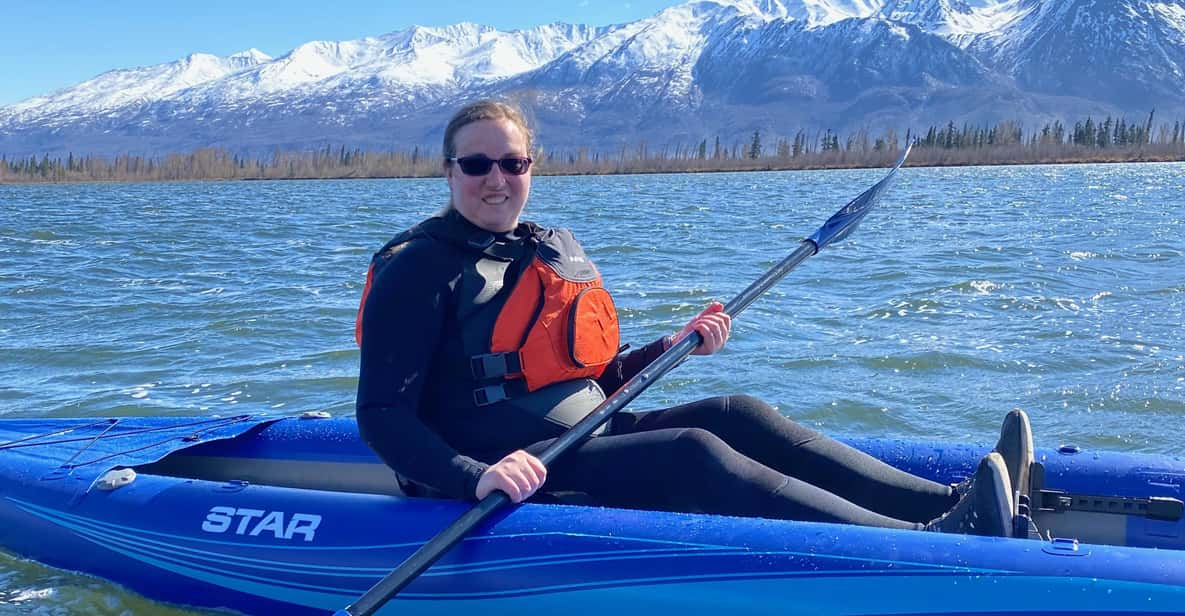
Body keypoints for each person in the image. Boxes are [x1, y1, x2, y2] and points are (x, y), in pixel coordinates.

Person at [355, 99, 1032, 537]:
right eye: (476, 164)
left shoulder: (532, 249)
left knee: (736, 412)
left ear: (531, 166)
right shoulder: (416, 269)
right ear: (448, 171)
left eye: (512, 162)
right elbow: (382, 415)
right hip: (506, 466)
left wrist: (670, 347)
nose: (495, 178)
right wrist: (477, 475)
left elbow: (589, 376)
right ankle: (922, 542)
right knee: (691, 452)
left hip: (588, 427)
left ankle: (944, 502)